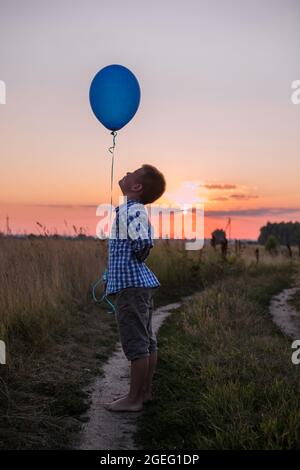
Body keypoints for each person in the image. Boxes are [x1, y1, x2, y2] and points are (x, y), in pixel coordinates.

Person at [104, 164, 166, 412]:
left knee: (136, 343)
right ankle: (145, 392)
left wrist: (136, 256)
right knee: (147, 341)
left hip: (131, 288)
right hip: (138, 285)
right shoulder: (133, 210)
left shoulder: (131, 210)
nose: (127, 172)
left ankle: (133, 399)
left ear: (136, 186)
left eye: (133, 172)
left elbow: (142, 241)